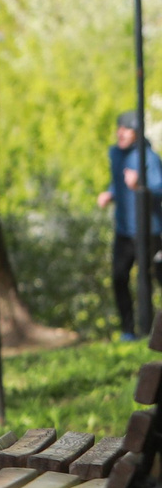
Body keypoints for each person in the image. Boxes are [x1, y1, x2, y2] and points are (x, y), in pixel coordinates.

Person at [98, 112, 162, 341]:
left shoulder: (149, 157)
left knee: (150, 278)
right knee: (119, 277)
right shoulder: (116, 154)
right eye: (119, 127)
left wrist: (140, 184)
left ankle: (150, 329)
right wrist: (111, 193)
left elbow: (159, 187)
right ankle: (128, 330)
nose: (120, 132)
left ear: (137, 133)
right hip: (124, 231)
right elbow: (117, 181)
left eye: (126, 129)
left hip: (148, 231)